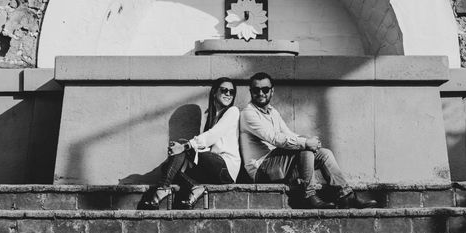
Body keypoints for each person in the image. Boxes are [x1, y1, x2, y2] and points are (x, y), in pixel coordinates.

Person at [239, 72, 378, 209]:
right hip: (261, 169)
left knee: (325, 154)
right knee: (304, 147)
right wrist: (306, 143)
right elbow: (275, 139)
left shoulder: (273, 112)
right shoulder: (248, 113)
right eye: (256, 90)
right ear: (251, 91)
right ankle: (308, 195)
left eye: (265, 89)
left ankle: (346, 196)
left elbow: (288, 134)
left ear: (272, 91)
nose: (261, 93)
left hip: (279, 165)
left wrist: (310, 141)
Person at [142, 77, 240, 210]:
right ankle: (195, 187)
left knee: (183, 145)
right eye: (224, 90)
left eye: (231, 92)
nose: (228, 94)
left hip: (225, 168)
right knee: (167, 167)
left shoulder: (232, 111)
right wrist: (186, 156)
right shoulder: (212, 117)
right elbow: (205, 147)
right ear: (214, 92)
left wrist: (184, 147)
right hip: (212, 168)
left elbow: (212, 136)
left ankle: (163, 189)